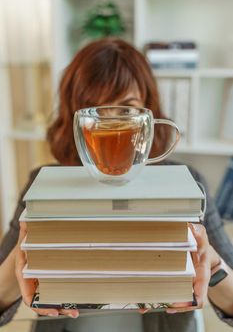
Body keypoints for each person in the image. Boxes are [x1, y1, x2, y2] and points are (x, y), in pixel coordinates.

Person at [0, 38, 233, 331]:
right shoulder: (42, 186)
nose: (110, 122)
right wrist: (23, 256)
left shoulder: (187, 186)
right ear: (75, 117)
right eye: (94, 109)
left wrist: (210, 266)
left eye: (126, 108)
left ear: (149, 113)